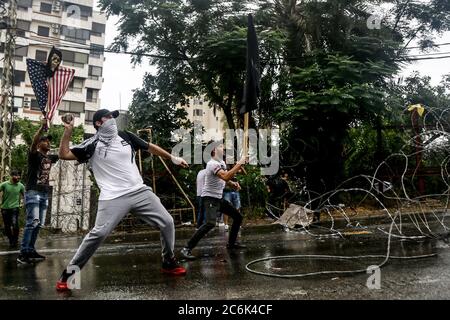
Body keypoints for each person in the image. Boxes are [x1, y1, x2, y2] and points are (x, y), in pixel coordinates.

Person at [55, 109, 189, 291]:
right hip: (112, 197)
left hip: (139, 191)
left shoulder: (126, 136)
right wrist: (68, 130)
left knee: (167, 222)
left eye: (113, 117)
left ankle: (168, 262)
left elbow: (150, 147)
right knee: (98, 234)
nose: (112, 120)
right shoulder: (91, 145)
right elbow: (64, 154)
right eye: (108, 117)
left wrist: (172, 157)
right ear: (98, 124)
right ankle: (69, 274)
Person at [180, 142, 247, 260]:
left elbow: (223, 179)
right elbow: (225, 176)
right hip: (209, 198)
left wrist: (232, 184)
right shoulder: (212, 164)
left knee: (238, 217)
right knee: (210, 223)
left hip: (218, 198)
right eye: (220, 146)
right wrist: (239, 163)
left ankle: (231, 244)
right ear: (214, 151)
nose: (223, 147)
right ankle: (186, 248)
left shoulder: (221, 163)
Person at [17, 119, 58, 264]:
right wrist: (41, 128)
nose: (48, 142)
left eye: (49, 141)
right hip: (33, 191)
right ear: (40, 143)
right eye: (45, 140)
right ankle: (23, 253)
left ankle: (31, 250)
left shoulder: (49, 158)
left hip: (44, 193)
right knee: (32, 222)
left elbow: (65, 153)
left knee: (39, 224)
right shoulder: (34, 155)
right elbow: (33, 143)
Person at [0, 170, 25, 248]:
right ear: (11, 176)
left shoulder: (21, 186)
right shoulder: (4, 184)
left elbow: (25, 196)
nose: (18, 177)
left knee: (15, 224)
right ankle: (11, 240)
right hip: (5, 208)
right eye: (16, 176)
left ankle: (15, 240)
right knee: (7, 226)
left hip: (15, 207)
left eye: (18, 176)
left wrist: (22, 203)